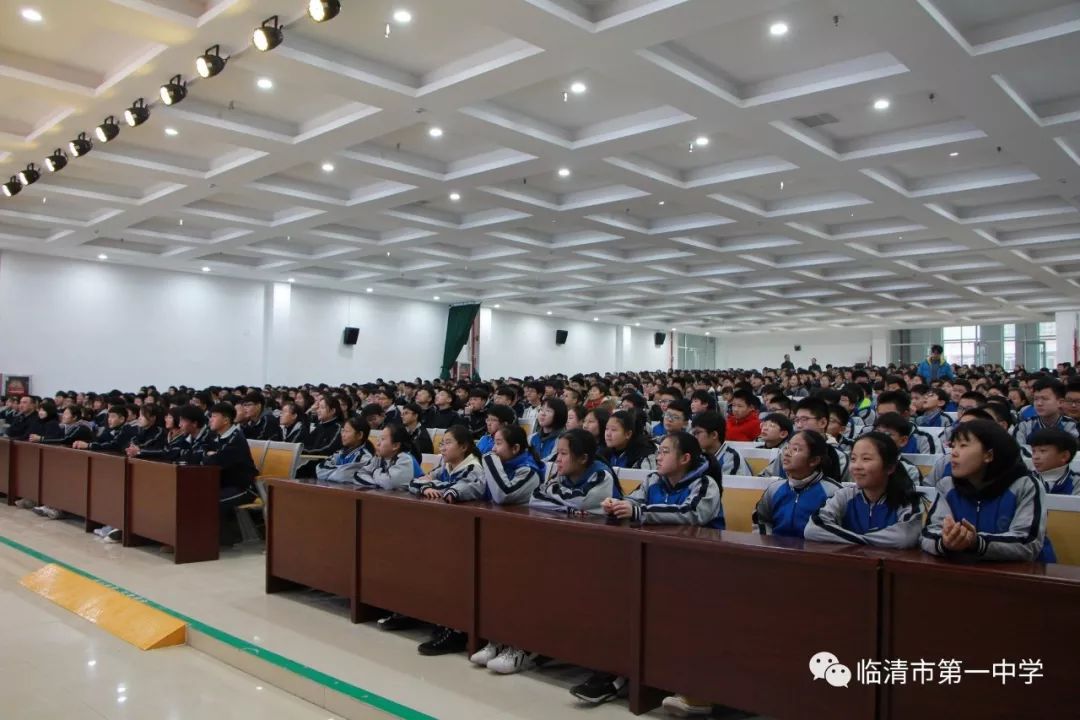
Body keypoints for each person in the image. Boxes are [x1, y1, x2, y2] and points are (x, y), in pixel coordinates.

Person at [596, 432, 723, 715]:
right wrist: (616, 505)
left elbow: (691, 514)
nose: (659, 456)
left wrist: (636, 511)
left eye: (665, 451)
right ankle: (622, 670)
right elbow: (633, 500)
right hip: (658, 562)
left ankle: (692, 687)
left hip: (703, 569)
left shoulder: (706, 484)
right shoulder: (654, 479)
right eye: (659, 450)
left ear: (685, 458)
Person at [463, 426, 545, 673]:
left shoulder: (528, 470)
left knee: (516, 591)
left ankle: (520, 646)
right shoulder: (499, 464)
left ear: (516, 448)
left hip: (526, 542)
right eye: (493, 444)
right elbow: (478, 487)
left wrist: (488, 459)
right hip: (497, 535)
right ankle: (496, 639)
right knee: (491, 588)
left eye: (498, 444)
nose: (493, 449)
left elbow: (503, 495)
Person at [921, 420, 1047, 562]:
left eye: (963, 446)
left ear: (988, 455)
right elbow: (928, 535)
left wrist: (976, 542)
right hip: (963, 573)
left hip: (1018, 576)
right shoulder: (947, 485)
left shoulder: (1025, 485)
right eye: (953, 446)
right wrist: (946, 542)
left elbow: (1028, 543)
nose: (953, 453)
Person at [409, 425, 484, 656]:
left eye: (448, 443)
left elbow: (461, 491)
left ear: (463, 447)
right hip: (446, 530)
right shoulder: (446, 466)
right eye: (441, 443)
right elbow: (415, 483)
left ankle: (457, 630)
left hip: (469, 534)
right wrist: (429, 487)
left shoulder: (474, 469)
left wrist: (434, 487)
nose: (442, 447)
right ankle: (443, 621)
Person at [804, 432, 922, 547]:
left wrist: (852, 539)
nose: (856, 466)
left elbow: (905, 537)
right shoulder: (844, 495)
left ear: (890, 467)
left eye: (866, 459)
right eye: (853, 459)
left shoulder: (907, 500)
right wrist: (864, 540)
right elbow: (813, 528)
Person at [752, 431, 840, 537]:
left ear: (814, 460)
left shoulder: (833, 493)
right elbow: (761, 519)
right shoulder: (774, 489)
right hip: (775, 550)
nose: (787, 453)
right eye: (787, 447)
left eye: (795, 449)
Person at [531, 428, 620, 517]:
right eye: (558, 453)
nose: (558, 459)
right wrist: (566, 508)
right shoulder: (563, 475)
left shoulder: (602, 476)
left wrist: (550, 489)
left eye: (563, 453)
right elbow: (534, 498)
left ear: (583, 458)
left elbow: (581, 502)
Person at [353, 423, 423, 492]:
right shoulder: (380, 458)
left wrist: (374, 472)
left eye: (382, 439)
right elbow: (358, 475)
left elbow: (390, 483)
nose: (377, 443)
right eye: (379, 439)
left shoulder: (405, 459)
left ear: (395, 446)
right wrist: (377, 484)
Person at [1012, 377, 1079, 445]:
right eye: (1036, 399)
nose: (1039, 403)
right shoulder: (1023, 426)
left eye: (1045, 399)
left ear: (1060, 402)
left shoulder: (1072, 426)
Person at [315, 416, 376, 483]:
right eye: (342, 431)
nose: (343, 435)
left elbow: (342, 476)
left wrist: (332, 472)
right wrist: (339, 470)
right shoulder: (340, 453)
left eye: (347, 431)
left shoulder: (365, 457)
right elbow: (319, 469)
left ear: (360, 435)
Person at [873, 413, 926, 486]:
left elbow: (911, 496)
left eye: (888, 434)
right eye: (877, 433)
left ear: (903, 440)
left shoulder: (909, 470)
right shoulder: (860, 463)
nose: (880, 438)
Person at [691, 410, 749, 476]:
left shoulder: (731, 458)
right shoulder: (698, 455)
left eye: (698, 433)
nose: (694, 437)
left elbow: (724, 485)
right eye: (693, 434)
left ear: (714, 435)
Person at [1028, 428, 1078, 495]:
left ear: (1064, 456)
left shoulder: (1076, 482)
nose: (1035, 457)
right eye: (1033, 451)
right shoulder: (1025, 481)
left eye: (1042, 451)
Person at [529, 397, 567, 461]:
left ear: (559, 415)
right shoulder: (532, 437)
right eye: (541, 409)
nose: (543, 414)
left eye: (548, 411)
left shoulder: (562, 440)